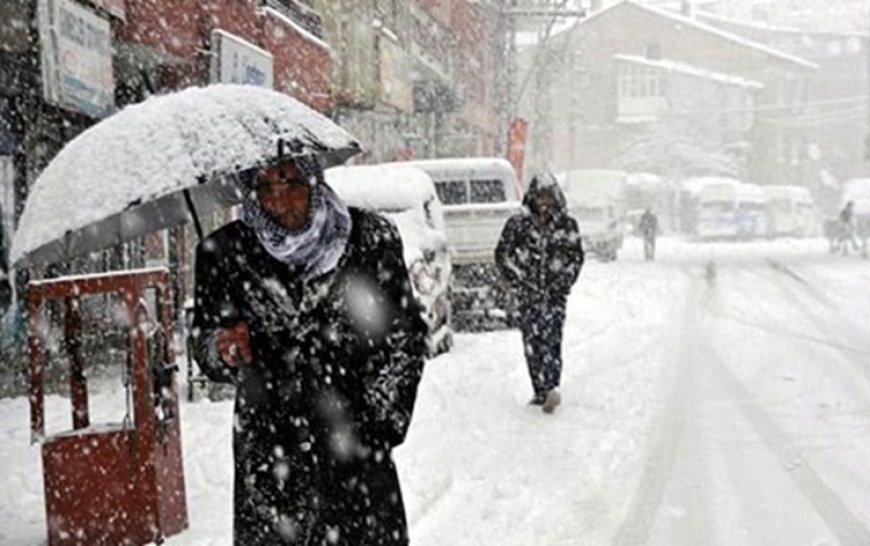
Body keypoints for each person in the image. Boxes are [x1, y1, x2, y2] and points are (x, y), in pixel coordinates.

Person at [191, 153, 428, 545]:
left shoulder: (369, 239)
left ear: (315, 182)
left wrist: (378, 426)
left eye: (291, 185)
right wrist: (221, 348)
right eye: (264, 188)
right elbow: (204, 345)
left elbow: (404, 338)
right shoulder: (224, 253)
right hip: (270, 457)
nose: (278, 202)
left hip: (355, 454)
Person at [495, 172, 584, 414]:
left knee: (552, 340)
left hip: (555, 297)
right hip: (528, 297)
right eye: (540, 197)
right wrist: (519, 280)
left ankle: (551, 385)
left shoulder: (567, 225)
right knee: (532, 342)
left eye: (548, 197)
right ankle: (539, 389)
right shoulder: (517, 225)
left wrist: (564, 282)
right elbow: (502, 255)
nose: (544, 203)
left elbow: (576, 258)